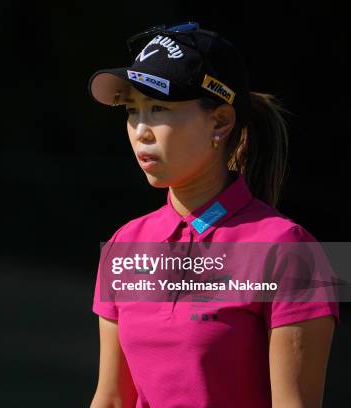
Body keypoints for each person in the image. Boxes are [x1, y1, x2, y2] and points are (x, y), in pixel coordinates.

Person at [87, 22, 339, 408]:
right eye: (132, 110)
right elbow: (112, 398)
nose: (141, 130)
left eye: (158, 108)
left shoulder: (289, 249)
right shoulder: (123, 245)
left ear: (220, 121)